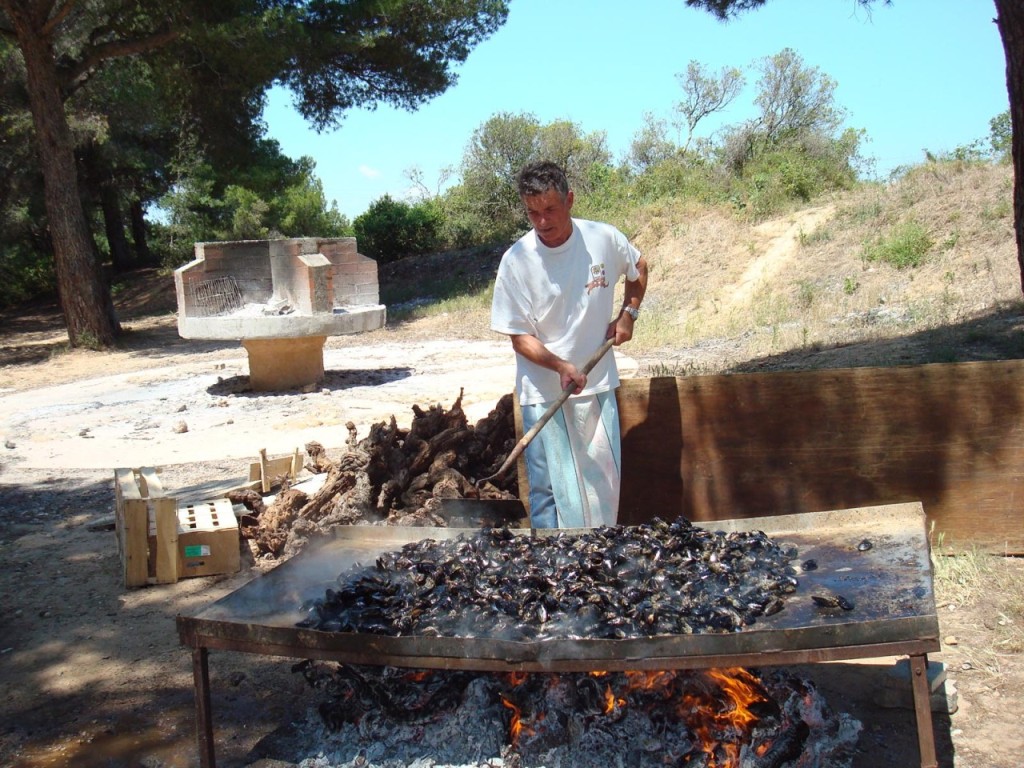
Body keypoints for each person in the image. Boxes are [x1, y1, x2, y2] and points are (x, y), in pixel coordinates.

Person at [490, 160, 648, 529]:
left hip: (597, 384)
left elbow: (640, 268)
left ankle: (597, 558)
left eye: (550, 209)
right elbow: (519, 338)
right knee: (548, 491)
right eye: (532, 213)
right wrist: (561, 367)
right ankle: (552, 571)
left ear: (570, 200)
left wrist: (629, 314)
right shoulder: (516, 261)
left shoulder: (603, 239)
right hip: (543, 391)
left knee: (602, 481)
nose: (542, 222)